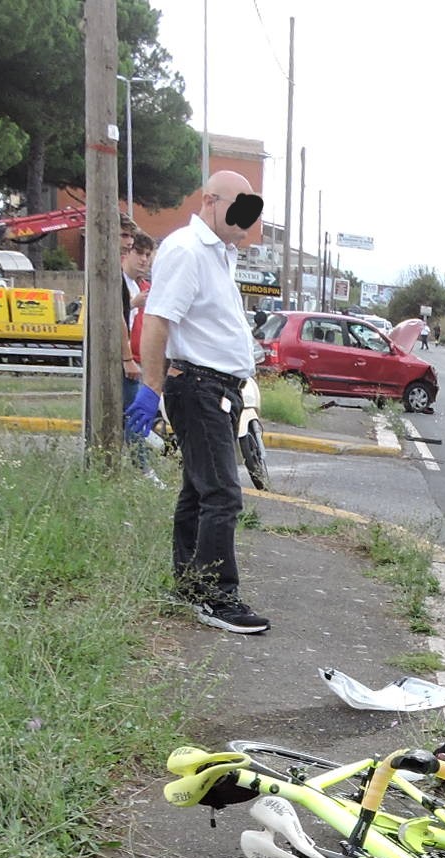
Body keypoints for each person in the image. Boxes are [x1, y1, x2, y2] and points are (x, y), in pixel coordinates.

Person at [136, 171, 269, 634]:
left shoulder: (219, 255)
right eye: (240, 210)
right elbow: (158, 321)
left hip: (216, 387)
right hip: (198, 385)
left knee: (198, 489)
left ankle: (191, 588)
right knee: (221, 495)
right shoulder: (187, 250)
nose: (246, 223)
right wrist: (150, 388)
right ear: (211, 201)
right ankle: (216, 596)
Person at [119, 222, 160, 480]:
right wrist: (127, 360)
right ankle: (144, 470)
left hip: (138, 361)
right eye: (139, 253)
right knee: (134, 416)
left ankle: (143, 461)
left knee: (136, 415)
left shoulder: (142, 287)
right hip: (126, 362)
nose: (144, 260)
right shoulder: (120, 285)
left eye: (148, 255)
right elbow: (115, 320)